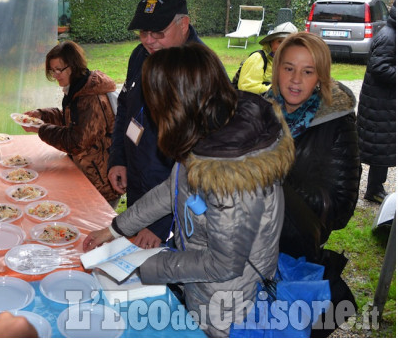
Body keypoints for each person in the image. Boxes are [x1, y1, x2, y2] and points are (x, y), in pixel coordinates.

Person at [84, 43, 295, 337]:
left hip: (225, 307)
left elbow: (223, 265)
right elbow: (172, 189)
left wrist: (148, 266)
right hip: (200, 284)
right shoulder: (209, 130)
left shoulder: (231, 176)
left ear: (177, 101)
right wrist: (115, 229)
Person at [267, 32, 360, 335]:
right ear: (276, 68)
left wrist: (280, 181)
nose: (295, 79)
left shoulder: (336, 125)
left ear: (320, 76)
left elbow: (341, 208)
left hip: (296, 255)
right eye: (288, 68)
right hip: (248, 248)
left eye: (307, 71)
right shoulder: (259, 112)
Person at [108, 0, 205, 249]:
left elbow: (201, 164)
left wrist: (162, 222)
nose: (148, 40)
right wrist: (118, 157)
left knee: (160, 272)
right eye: (143, 32)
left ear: (183, 24)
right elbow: (126, 109)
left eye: (158, 33)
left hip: (173, 204)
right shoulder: (141, 55)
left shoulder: (200, 70)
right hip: (138, 181)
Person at [22, 41, 120, 206]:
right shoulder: (78, 89)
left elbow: (77, 141)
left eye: (59, 69)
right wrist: (42, 115)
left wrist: (41, 129)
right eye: (53, 70)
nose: (56, 75)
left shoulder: (91, 98)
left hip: (101, 184)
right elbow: (72, 119)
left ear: (74, 66)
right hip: (87, 174)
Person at [357, 1, 396, 203]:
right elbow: (379, 67)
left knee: (381, 148)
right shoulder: (389, 36)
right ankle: (371, 190)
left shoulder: (392, 32)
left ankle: (374, 189)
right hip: (379, 104)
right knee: (376, 148)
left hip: (383, 102)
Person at [232, 21, 297, 93]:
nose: (283, 46)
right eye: (279, 41)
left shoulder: (293, 64)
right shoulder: (257, 58)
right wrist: (276, 90)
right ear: (271, 43)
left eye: (288, 43)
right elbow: (247, 87)